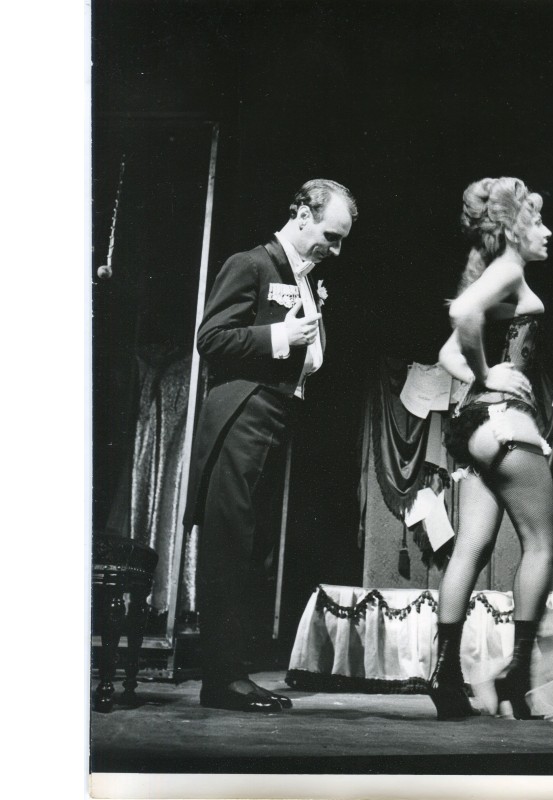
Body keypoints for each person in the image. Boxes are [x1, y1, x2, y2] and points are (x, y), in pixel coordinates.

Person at [183, 179, 358, 713]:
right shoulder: (252, 264)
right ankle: (222, 680)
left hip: (276, 415)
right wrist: (281, 338)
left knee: (251, 547)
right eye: (331, 236)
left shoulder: (304, 277)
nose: (336, 250)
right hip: (244, 411)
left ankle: (232, 673)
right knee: (229, 543)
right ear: (302, 215)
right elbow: (211, 338)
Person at [431, 176, 553, 720]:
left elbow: (446, 354)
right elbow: (462, 316)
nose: (547, 231)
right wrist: (491, 375)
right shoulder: (508, 269)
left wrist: (479, 380)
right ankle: (515, 680)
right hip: (506, 422)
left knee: (470, 549)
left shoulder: (494, 274)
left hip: (472, 427)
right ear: (513, 227)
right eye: (537, 220)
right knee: (541, 546)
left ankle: (443, 678)